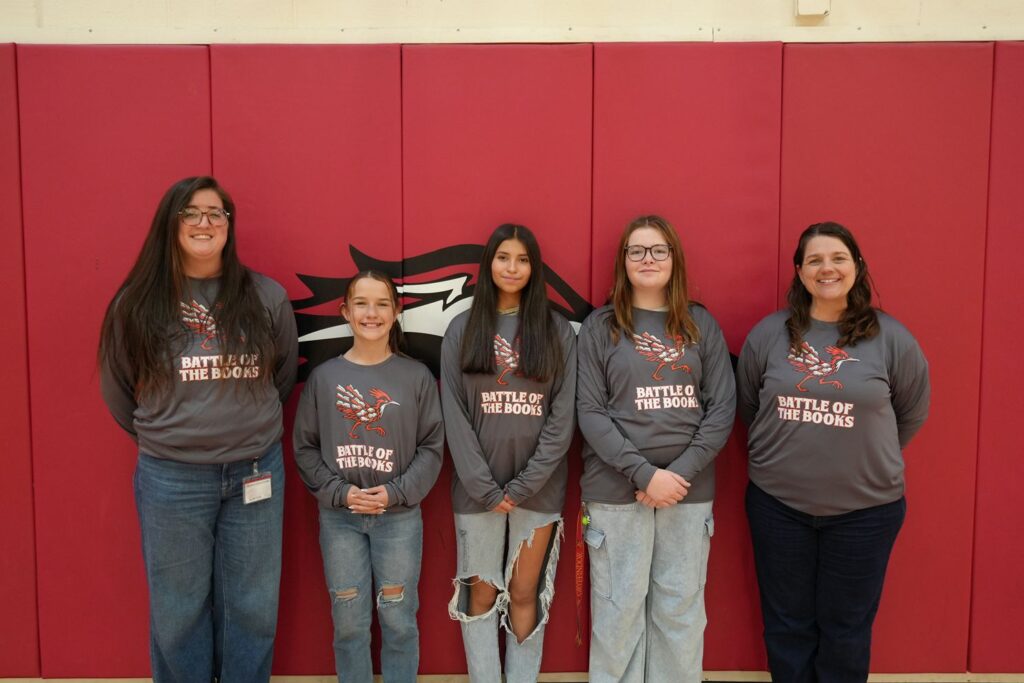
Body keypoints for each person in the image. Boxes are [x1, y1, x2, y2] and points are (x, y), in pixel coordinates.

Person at [98, 176, 298, 682]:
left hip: (255, 471)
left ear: (229, 225)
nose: (204, 223)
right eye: (190, 212)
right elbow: (120, 390)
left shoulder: (265, 296)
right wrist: (173, 435)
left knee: (252, 607)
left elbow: (282, 377)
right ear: (170, 223)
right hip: (172, 479)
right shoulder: (137, 304)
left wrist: (242, 428)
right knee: (178, 610)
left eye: (215, 213)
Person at [737, 221, 930, 683]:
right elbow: (749, 406)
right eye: (815, 260)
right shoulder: (769, 335)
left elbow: (911, 413)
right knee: (786, 627)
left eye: (839, 258)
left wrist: (859, 456)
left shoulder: (891, 338)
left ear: (857, 266)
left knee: (847, 631)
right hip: (778, 508)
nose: (828, 268)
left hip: (865, 513)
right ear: (799, 271)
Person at [577, 214, 735, 683]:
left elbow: (721, 409)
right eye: (637, 250)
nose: (648, 259)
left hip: (687, 493)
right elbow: (590, 412)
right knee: (618, 614)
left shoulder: (700, 324)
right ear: (623, 261)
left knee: (679, 613)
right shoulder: (600, 327)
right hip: (615, 492)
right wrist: (645, 475)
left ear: (674, 259)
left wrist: (676, 475)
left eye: (659, 250)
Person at [441, 223, 577, 682]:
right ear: (489, 264)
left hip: (538, 491)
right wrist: (483, 486)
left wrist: (523, 486)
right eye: (503, 258)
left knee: (523, 593)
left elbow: (562, 419)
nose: (512, 268)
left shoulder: (557, 330)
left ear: (534, 267)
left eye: (522, 259)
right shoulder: (462, 329)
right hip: (475, 491)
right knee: (479, 596)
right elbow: (454, 415)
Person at [293, 270, 443, 683]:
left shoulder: (415, 377)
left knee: (399, 621)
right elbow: (304, 448)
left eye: (381, 304)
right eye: (361, 303)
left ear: (397, 311)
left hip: (398, 519)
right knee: (349, 623)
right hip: (340, 519)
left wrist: (395, 492)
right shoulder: (324, 378)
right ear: (345, 312)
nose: (371, 313)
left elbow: (432, 447)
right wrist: (340, 493)